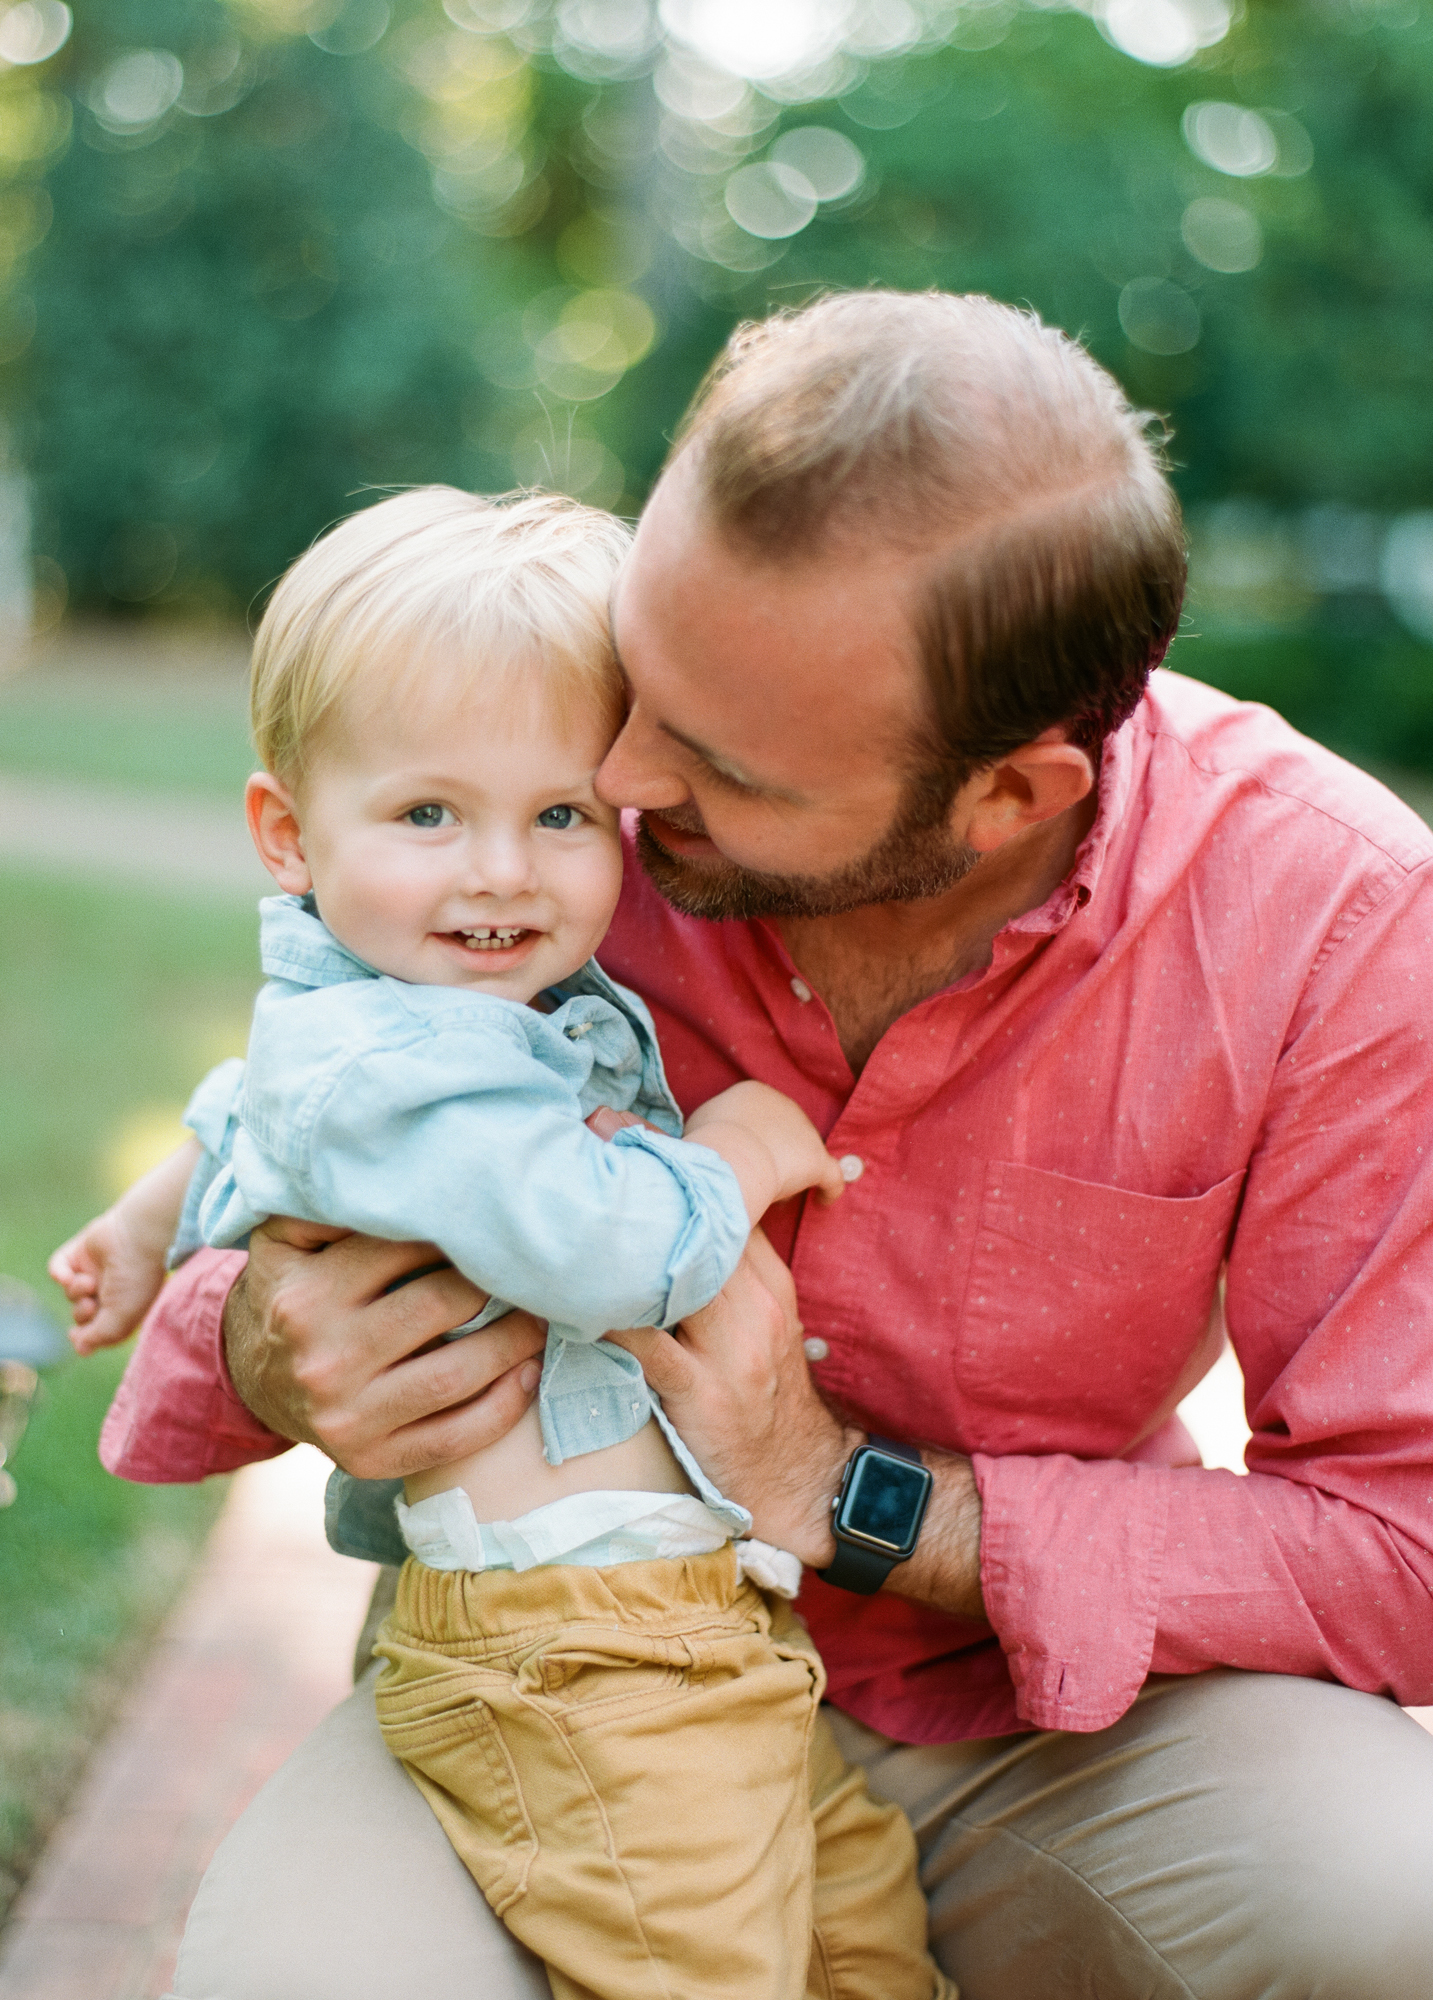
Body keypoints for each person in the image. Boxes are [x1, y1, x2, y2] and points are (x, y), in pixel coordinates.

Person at [103, 293, 1433, 2000]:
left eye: (717, 762)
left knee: (1415, 1904)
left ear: (1006, 800)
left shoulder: (1322, 910)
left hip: (1019, 1719)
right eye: (638, 678)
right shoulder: (539, 818)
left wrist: (846, 1493)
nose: (621, 773)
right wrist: (253, 1339)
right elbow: (304, 1102)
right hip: (551, 1675)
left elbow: (1416, 1548)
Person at [53, 486, 954, 2000]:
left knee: (860, 1929)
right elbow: (611, 1254)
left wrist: (147, 1225)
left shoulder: (419, 1016)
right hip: (564, 1646)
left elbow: (239, 1102)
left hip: (679, 1617)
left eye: (557, 816)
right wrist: (732, 1149)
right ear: (286, 831)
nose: (502, 872)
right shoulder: (411, 1067)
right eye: (428, 813)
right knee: (711, 1969)